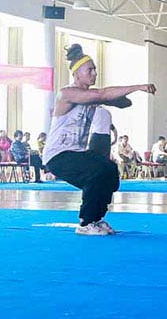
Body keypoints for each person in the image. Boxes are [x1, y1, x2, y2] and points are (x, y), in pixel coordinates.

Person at [43, 43, 156, 236]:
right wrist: (138, 87)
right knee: (95, 172)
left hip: (77, 153)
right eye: (90, 70)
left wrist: (115, 99)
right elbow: (101, 94)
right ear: (77, 74)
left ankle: (97, 218)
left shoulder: (91, 97)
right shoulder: (66, 93)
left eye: (95, 69)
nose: (94, 73)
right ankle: (85, 223)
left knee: (109, 170)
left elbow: (123, 102)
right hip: (57, 155)